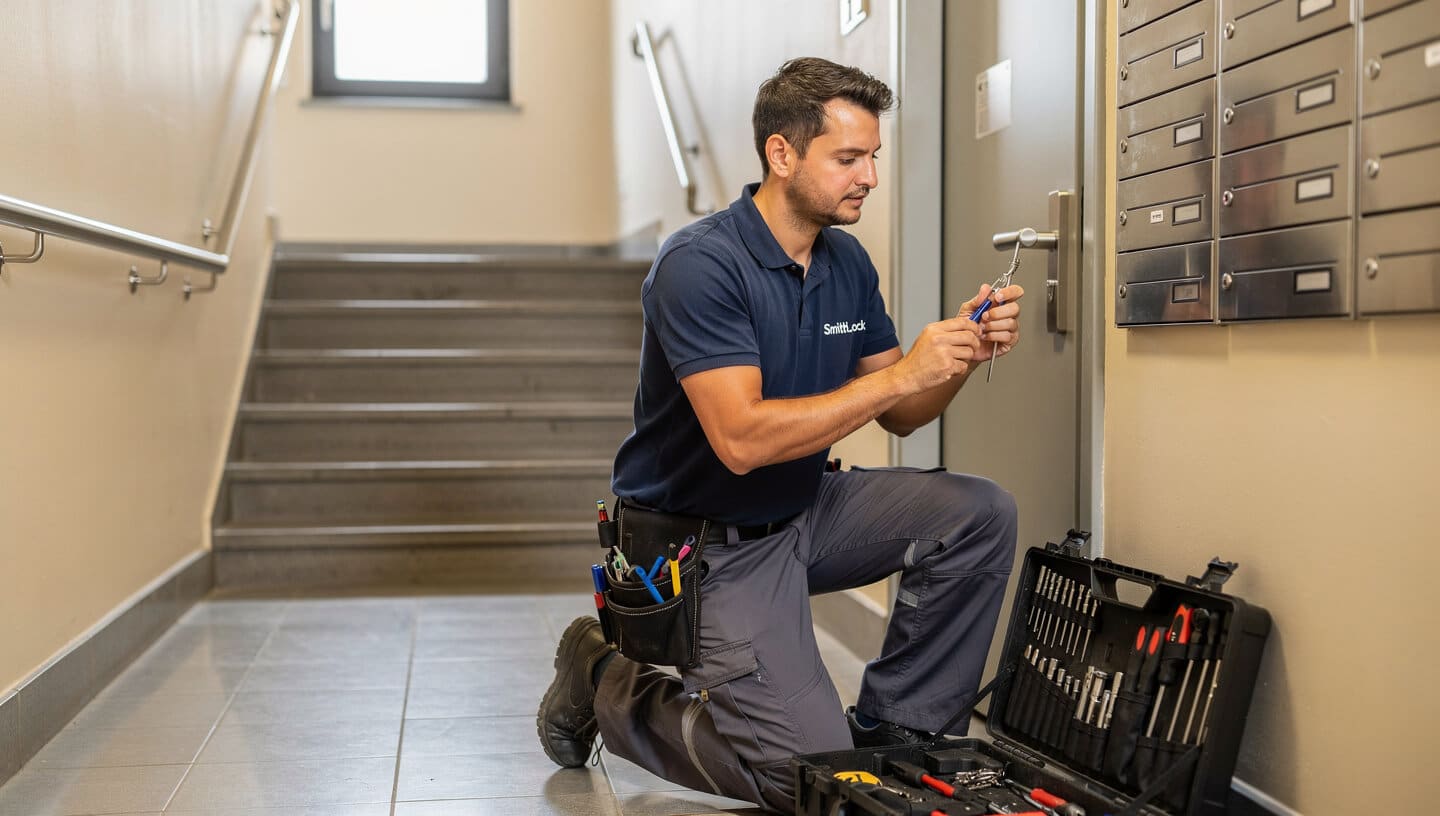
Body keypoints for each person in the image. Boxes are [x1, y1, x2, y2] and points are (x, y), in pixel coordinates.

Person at [537, 57, 1023, 813]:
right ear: (783, 154)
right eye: (849, 158)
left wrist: (961, 353)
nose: (868, 176)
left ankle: (896, 739)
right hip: (701, 548)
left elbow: (901, 411)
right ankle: (603, 678)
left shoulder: (845, 260)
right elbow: (742, 440)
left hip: (802, 509)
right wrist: (904, 374)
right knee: (803, 783)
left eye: (873, 158)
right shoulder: (700, 265)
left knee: (978, 513)